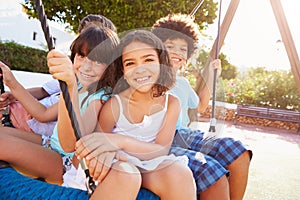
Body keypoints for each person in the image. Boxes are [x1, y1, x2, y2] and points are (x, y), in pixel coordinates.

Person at [59, 30, 196, 199]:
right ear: (123, 70)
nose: (140, 69)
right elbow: (95, 146)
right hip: (116, 166)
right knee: (127, 174)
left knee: (179, 173)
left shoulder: (172, 103)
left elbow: (161, 150)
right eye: (131, 63)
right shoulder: (115, 105)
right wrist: (112, 152)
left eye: (148, 60)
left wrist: (120, 142)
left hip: (145, 162)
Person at [0, 26, 120, 189]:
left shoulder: (100, 97)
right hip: (49, 144)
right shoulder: (78, 87)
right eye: (82, 56)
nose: (86, 65)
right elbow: (42, 114)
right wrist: (12, 83)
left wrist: (69, 88)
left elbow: (71, 144)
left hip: (65, 162)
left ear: (111, 66)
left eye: (98, 60)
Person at [152, 13, 252, 200]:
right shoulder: (148, 76)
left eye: (183, 49)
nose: (177, 52)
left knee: (238, 151)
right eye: (170, 46)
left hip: (183, 134)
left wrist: (212, 76)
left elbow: (200, 105)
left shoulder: (182, 84)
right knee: (212, 171)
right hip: (157, 137)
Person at [0, 14, 116, 136]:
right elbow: (43, 90)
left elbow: (44, 115)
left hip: (29, 123)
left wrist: (14, 85)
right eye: (82, 54)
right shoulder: (73, 75)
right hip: (18, 111)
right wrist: (14, 95)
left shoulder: (92, 94)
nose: (87, 65)